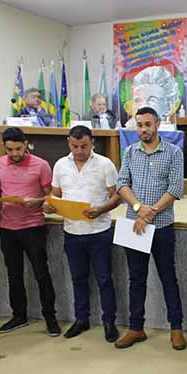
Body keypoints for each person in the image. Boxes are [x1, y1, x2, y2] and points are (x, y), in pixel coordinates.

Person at [0, 127, 60, 336]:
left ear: (26, 145)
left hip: (33, 227)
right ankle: (19, 316)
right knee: (14, 275)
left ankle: (51, 318)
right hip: (7, 228)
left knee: (41, 274)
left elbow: (52, 196)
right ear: (4, 147)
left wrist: (37, 201)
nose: (14, 154)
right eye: (10, 150)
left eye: (18, 149)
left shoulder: (41, 165)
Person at [115, 106, 187, 350]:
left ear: (157, 124)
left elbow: (175, 188)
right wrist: (138, 208)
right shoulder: (130, 152)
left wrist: (149, 214)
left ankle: (176, 329)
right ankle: (136, 328)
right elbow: (121, 184)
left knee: (168, 277)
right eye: (140, 125)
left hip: (162, 225)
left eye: (148, 124)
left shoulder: (173, 152)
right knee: (136, 279)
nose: (143, 129)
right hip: (133, 225)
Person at [42, 125, 120, 343]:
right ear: (68, 143)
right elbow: (56, 194)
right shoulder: (60, 165)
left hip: (99, 232)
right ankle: (81, 319)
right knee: (78, 279)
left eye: (84, 146)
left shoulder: (105, 164)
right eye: (75, 146)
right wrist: (50, 206)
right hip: (72, 232)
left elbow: (116, 196)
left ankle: (109, 322)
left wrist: (101, 209)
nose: (79, 151)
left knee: (104, 279)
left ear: (92, 143)